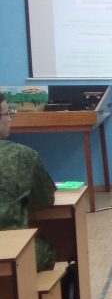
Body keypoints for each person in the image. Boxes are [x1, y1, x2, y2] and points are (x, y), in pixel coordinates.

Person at [0, 95, 57, 270]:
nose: (10, 119)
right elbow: (44, 201)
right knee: (47, 251)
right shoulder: (23, 155)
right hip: (11, 248)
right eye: (7, 114)